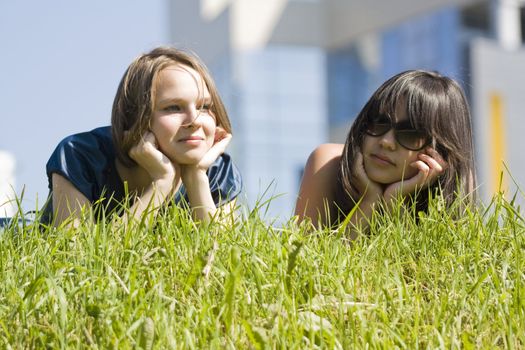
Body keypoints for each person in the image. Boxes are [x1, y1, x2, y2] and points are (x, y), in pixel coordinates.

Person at [43, 46, 242, 226]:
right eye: (173, 107)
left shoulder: (216, 169)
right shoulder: (80, 156)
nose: (194, 119)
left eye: (204, 107)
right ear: (135, 117)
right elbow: (77, 258)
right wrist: (162, 182)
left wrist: (197, 176)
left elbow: (223, 259)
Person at [295, 70, 476, 235]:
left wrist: (394, 202)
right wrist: (369, 202)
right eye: (379, 122)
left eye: (410, 134)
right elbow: (307, 265)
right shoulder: (328, 162)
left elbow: (416, 269)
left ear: (439, 153)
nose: (386, 142)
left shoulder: (457, 186)